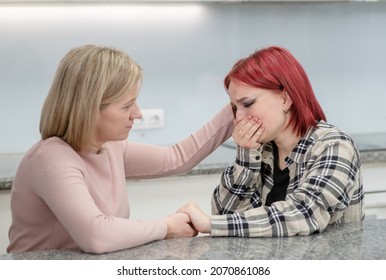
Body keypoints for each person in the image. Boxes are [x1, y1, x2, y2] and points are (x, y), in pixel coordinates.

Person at [7, 45, 234, 254]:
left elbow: (176, 158)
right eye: (127, 105)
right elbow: (96, 236)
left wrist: (234, 110)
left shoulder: (110, 147)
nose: (138, 114)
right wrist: (166, 227)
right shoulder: (51, 158)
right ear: (89, 109)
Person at [178, 46, 365, 237]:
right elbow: (226, 216)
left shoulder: (334, 146)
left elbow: (305, 214)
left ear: (286, 99)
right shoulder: (263, 148)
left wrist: (211, 224)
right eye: (235, 108)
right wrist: (246, 157)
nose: (239, 118)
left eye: (248, 104)